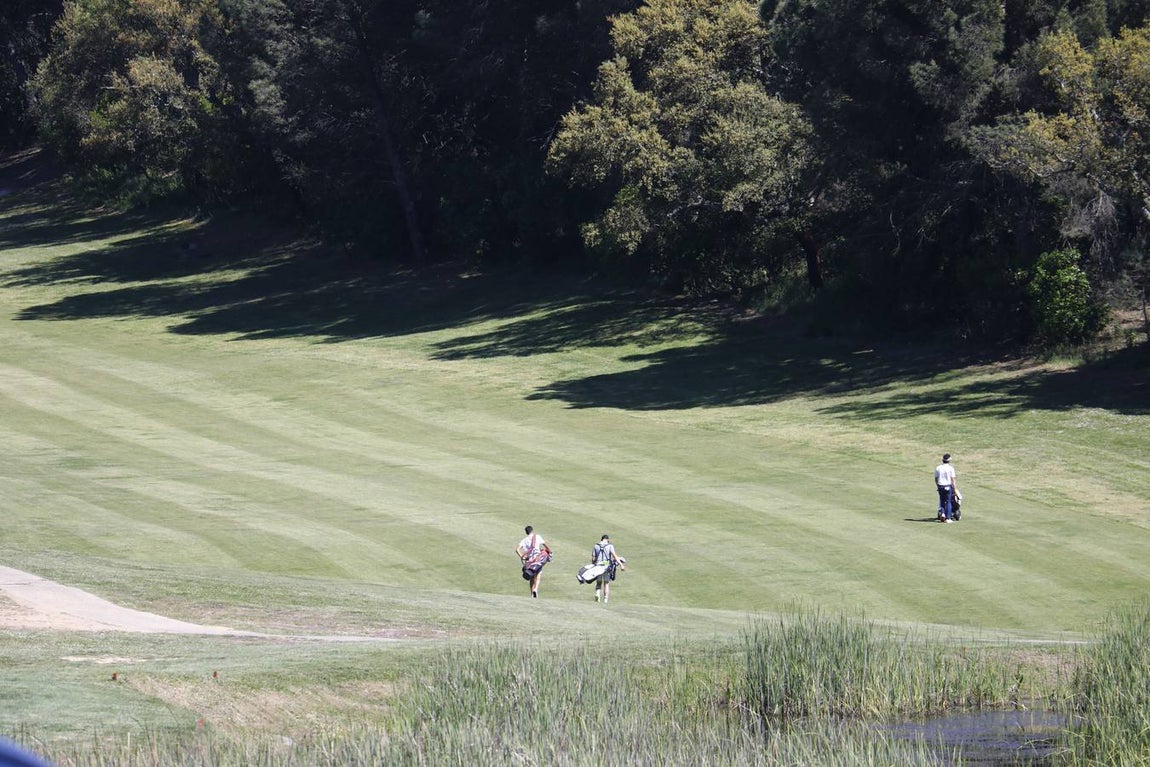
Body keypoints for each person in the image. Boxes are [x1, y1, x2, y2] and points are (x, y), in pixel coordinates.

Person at [516, 525, 552, 598]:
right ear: (532, 531)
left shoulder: (524, 540)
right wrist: (550, 552)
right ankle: (535, 589)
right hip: (537, 559)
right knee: (538, 575)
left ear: (526, 532)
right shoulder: (537, 537)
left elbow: (517, 549)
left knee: (531, 577)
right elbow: (545, 545)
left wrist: (523, 557)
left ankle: (532, 593)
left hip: (528, 562)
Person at [591, 534, 625, 604]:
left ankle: (597, 594)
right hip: (606, 566)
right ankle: (605, 600)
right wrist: (621, 565)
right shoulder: (610, 546)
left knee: (599, 582)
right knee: (606, 583)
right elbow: (615, 556)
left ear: (601, 539)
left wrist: (593, 565)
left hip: (598, 566)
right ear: (608, 540)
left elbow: (593, 558)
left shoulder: (596, 546)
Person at [934, 453, 959, 523]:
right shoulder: (950, 468)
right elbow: (953, 480)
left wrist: (937, 486)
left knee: (942, 501)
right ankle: (948, 518)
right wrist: (955, 489)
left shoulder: (938, 468)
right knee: (948, 502)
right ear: (949, 460)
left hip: (940, 486)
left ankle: (942, 514)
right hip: (948, 486)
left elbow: (936, 478)